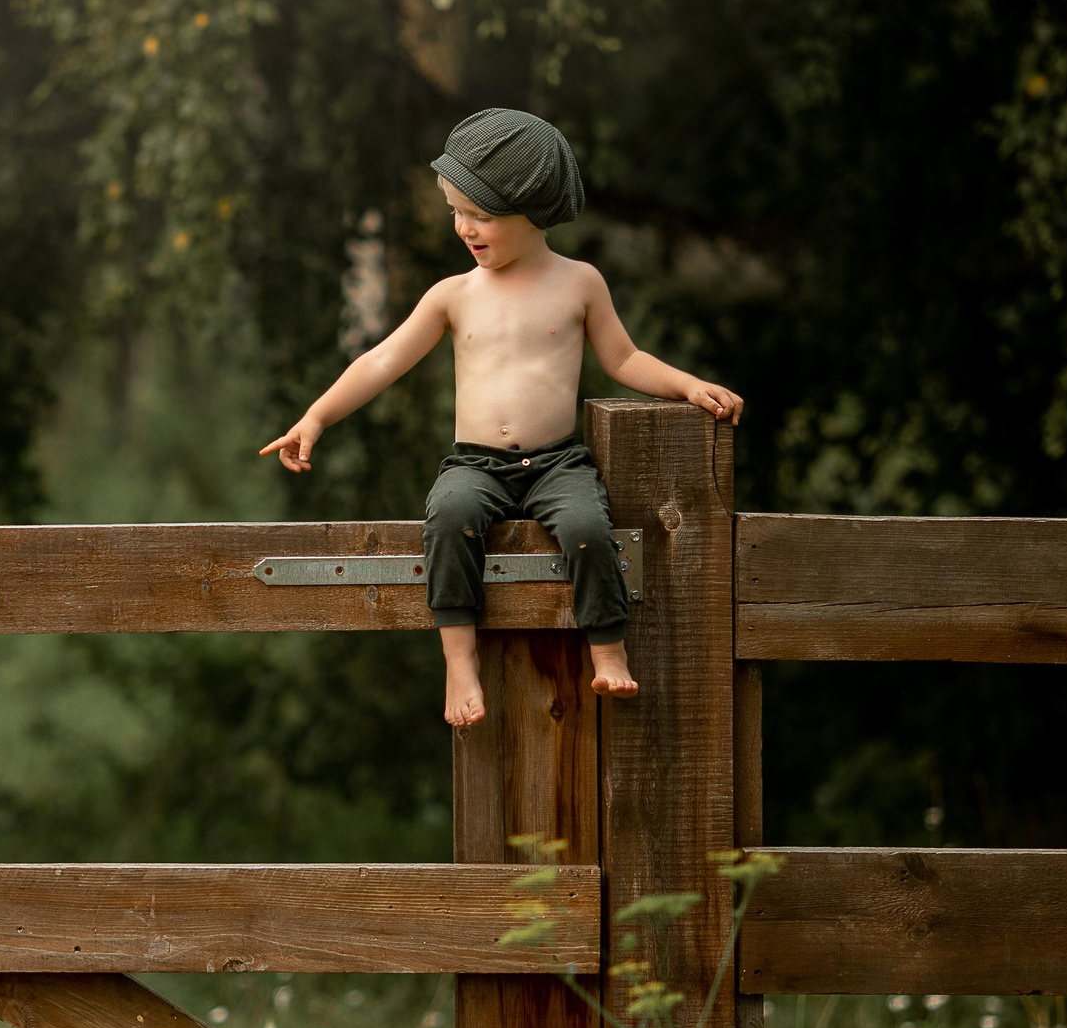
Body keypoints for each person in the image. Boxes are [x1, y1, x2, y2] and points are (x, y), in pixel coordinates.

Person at [261, 108, 743, 726]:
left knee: (589, 528)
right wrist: (316, 417)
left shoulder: (579, 284)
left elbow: (623, 358)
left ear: (531, 211)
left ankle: (609, 649)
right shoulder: (453, 295)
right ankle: (460, 661)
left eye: (480, 215)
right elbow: (382, 362)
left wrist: (689, 385)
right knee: (449, 519)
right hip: (477, 464)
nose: (464, 228)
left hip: (556, 462)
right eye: (456, 213)